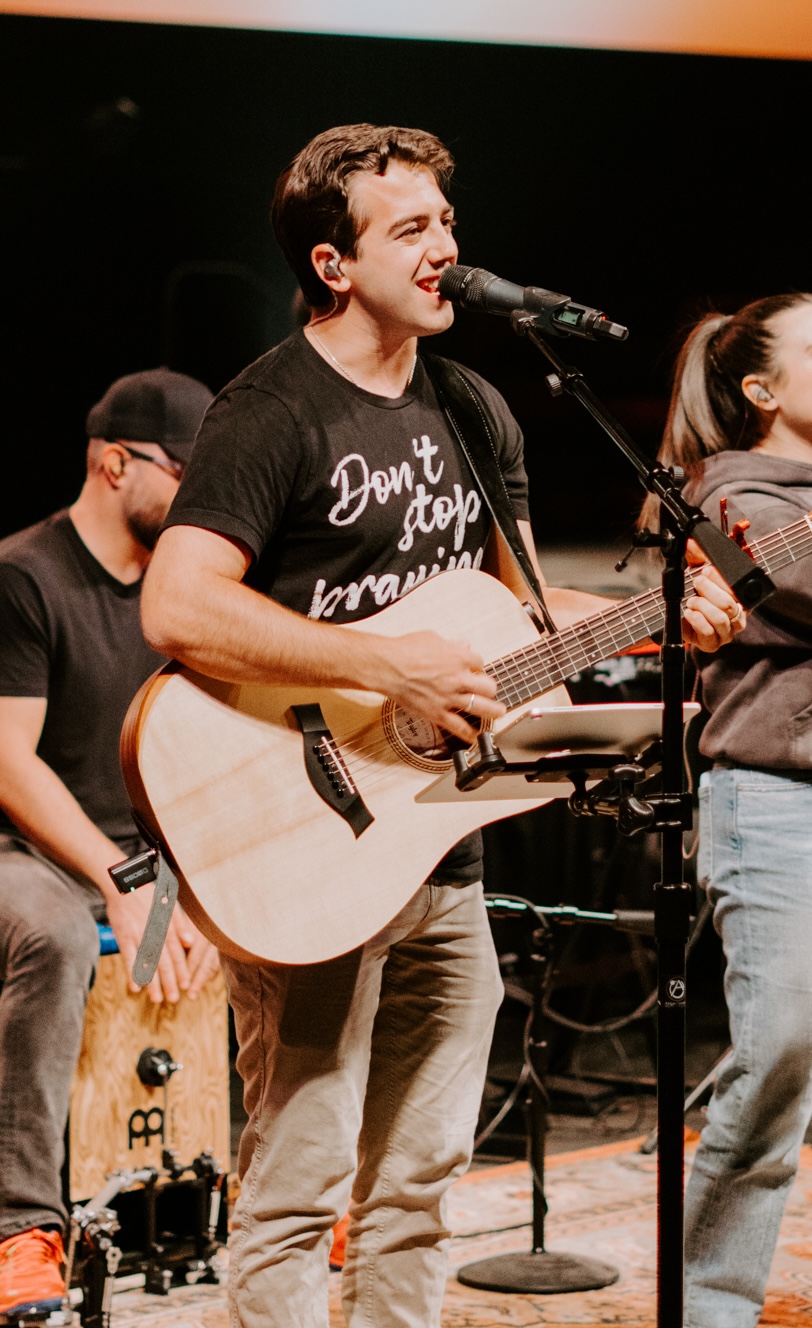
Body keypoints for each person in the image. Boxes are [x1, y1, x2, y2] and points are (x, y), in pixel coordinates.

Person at [140, 124, 744, 1328]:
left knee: (418, 1179)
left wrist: (652, 613)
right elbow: (178, 601)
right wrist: (384, 666)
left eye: (446, 225)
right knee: (300, 1177)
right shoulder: (272, 408)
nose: (445, 250)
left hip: (436, 836)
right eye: (409, 229)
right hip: (297, 836)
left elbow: (513, 610)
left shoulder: (471, 405)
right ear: (330, 263)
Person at [0, 367, 221, 1322]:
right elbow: (9, 764)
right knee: (49, 936)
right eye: (183, 474)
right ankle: (20, 1231)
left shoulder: (181, 595)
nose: (198, 501)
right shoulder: (24, 575)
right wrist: (124, 876)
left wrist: (193, 892)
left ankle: (278, 1190)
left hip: (139, 864)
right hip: (27, 853)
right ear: (112, 460)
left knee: (277, 922)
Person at [641, 292, 812, 1328]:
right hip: (778, 800)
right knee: (779, 1048)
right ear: (761, 389)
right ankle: (706, 1304)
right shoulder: (732, 489)